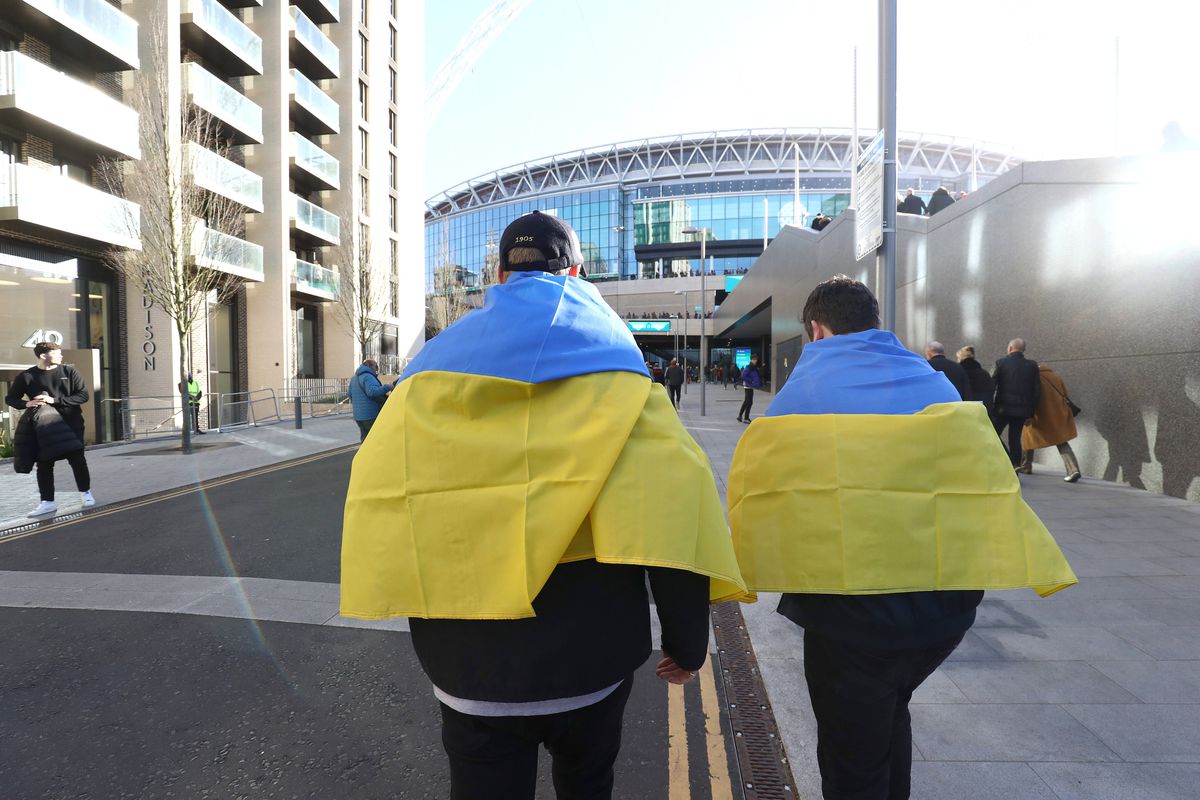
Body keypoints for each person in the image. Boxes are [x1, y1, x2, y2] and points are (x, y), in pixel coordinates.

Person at [341, 210, 746, 800]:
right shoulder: (624, 377)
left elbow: (382, 490)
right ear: (577, 273)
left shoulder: (426, 376)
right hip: (589, 657)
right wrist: (687, 642)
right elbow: (671, 507)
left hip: (468, 657)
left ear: (499, 278)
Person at [727, 276, 1076, 800]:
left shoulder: (804, 391)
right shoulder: (933, 380)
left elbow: (768, 487)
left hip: (854, 617)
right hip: (944, 606)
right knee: (890, 711)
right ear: (875, 324)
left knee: (851, 757)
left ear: (817, 330)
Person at [5, 342, 94, 517]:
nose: (61, 356)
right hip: (44, 426)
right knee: (44, 464)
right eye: (57, 353)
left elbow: (83, 395)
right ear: (43, 355)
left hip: (71, 422)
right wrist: (26, 403)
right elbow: (10, 398)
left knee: (77, 459)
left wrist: (54, 400)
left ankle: (86, 494)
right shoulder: (27, 376)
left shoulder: (70, 372)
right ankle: (48, 502)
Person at [1019, 365, 1082, 482]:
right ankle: (1074, 470)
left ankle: (1025, 466)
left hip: (1040, 414)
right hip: (1058, 414)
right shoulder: (1055, 376)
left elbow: (1032, 396)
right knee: (1061, 442)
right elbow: (1065, 393)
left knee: (1027, 438)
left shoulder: (1033, 377)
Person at [992, 338, 1040, 468]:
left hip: (1002, 408)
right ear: (1023, 350)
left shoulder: (1001, 363)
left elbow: (992, 385)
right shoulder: (1032, 366)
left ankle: (1003, 461)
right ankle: (1015, 464)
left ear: (1010, 348)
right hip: (1022, 411)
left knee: (992, 434)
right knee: (1015, 439)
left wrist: (990, 406)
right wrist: (1032, 412)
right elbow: (1036, 391)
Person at [348, 358, 390, 442]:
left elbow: (349, 394)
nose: (377, 369)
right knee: (375, 439)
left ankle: (364, 455)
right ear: (370, 366)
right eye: (376, 366)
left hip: (358, 416)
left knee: (365, 439)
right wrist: (387, 387)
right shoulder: (368, 376)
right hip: (370, 415)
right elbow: (372, 392)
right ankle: (376, 455)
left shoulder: (354, 378)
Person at [956, 345, 995, 419]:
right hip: (982, 412)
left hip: (963, 412)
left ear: (960, 358)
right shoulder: (984, 373)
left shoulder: (958, 372)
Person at [736, 354, 762, 423]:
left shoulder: (753, 367)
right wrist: (751, 381)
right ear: (751, 360)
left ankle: (741, 416)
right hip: (748, 386)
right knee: (748, 402)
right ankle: (745, 417)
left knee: (747, 401)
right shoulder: (749, 367)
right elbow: (743, 376)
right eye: (754, 359)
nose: (755, 361)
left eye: (756, 359)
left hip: (750, 386)